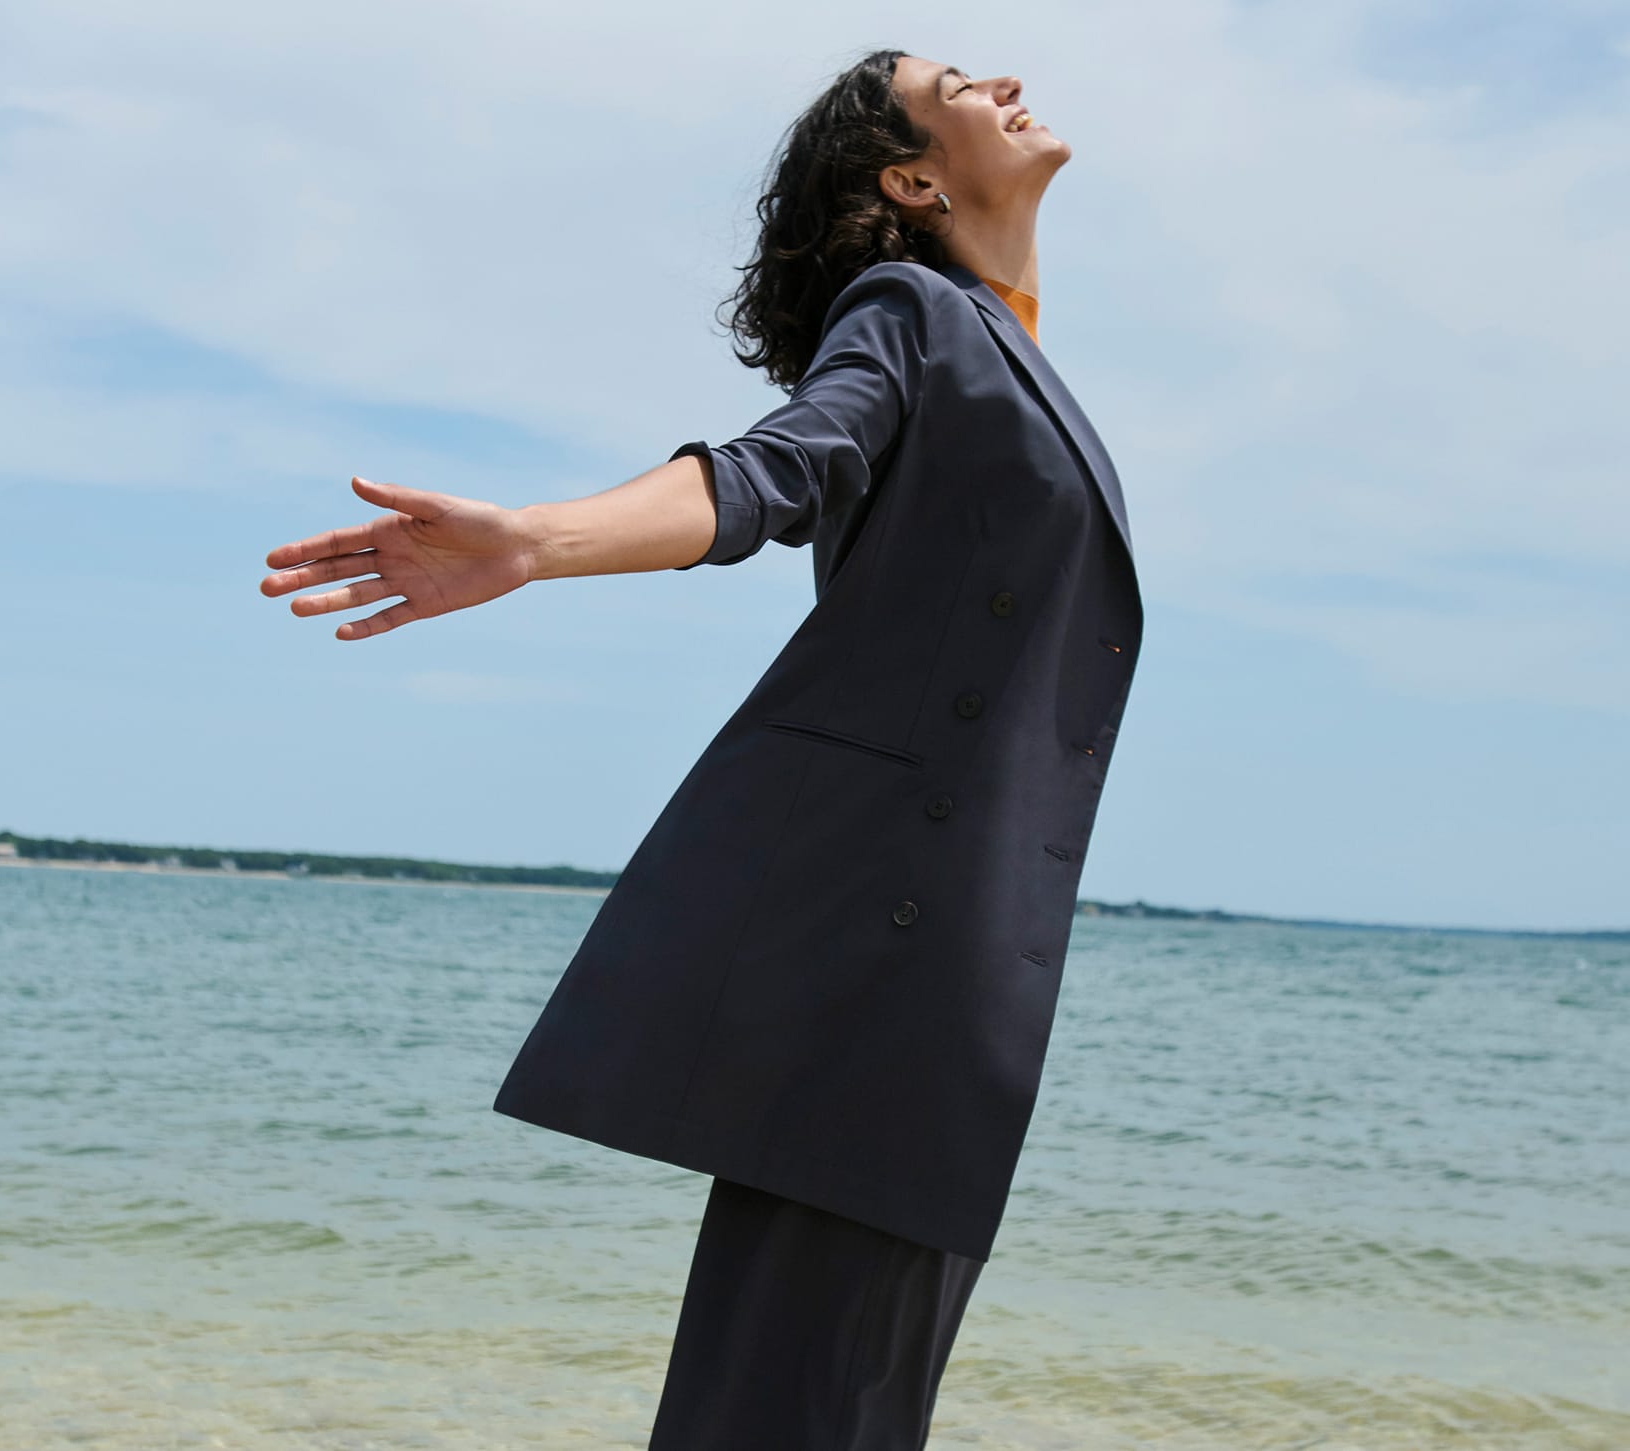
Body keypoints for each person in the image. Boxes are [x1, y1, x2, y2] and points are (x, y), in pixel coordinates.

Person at [255, 49, 1136, 1449]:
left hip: (943, 945)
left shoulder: (1005, 345)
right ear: (911, 178)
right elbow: (776, 468)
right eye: (956, 80)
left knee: (835, 1401)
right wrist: (538, 543)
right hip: (885, 945)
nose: (1007, 77)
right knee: (809, 1405)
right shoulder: (910, 308)